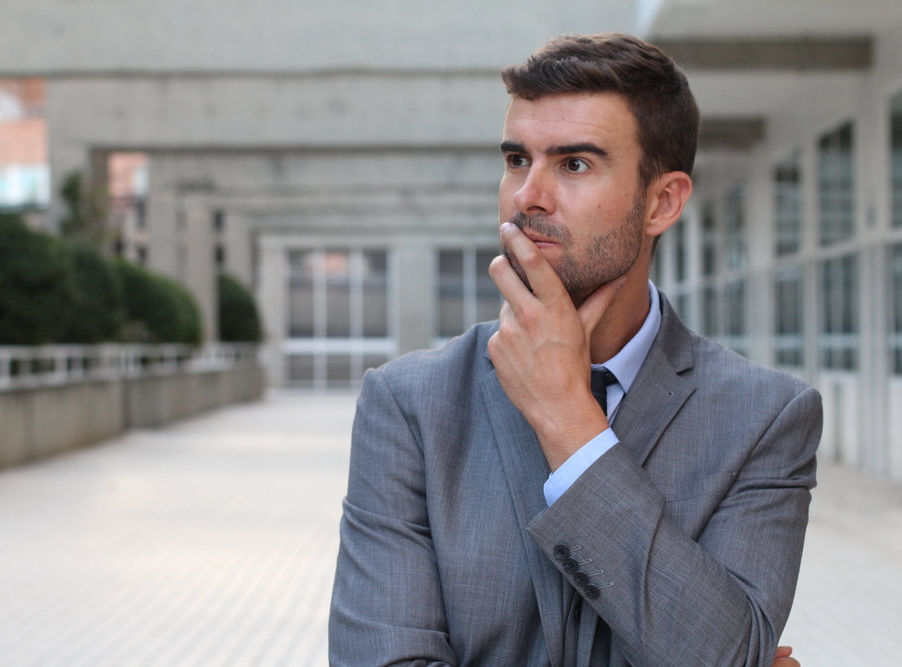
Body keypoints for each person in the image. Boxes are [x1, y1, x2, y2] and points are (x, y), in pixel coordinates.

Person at [329, 33, 820, 667]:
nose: (528, 196)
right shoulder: (409, 404)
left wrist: (570, 421)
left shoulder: (766, 417)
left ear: (662, 201)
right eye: (515, 159)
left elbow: (721, 655)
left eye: (574, 164)